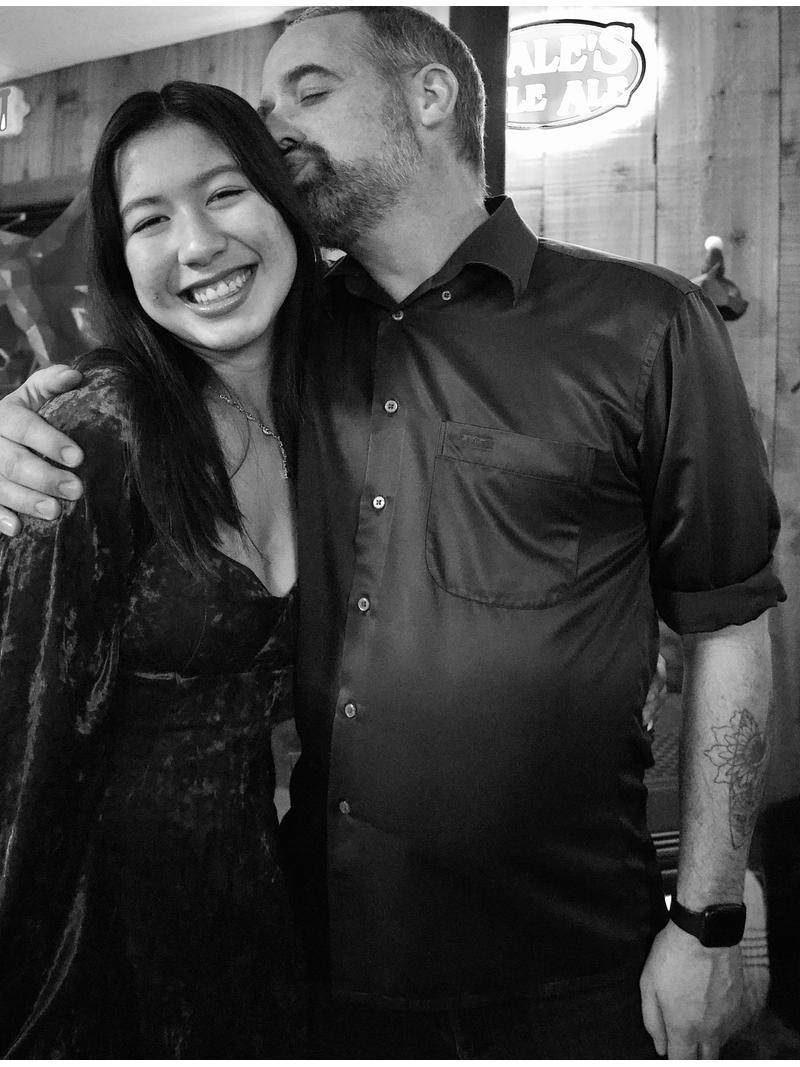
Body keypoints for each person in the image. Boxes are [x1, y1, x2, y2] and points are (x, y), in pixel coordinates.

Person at [0, 6, 785, 1059]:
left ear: (429, 94)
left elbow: (728, 624)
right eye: (265, 109)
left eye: (309, 91)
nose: (277, 127)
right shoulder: (287, 337)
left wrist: (711, 913)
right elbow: (140, 391)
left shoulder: (643, 325)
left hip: (570, 955)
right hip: (311, 954)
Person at [0, 80, 320, 1057]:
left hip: (255, 914)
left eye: (224, 194)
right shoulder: (93, 435)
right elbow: (18, 746)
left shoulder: (342, 414)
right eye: (149, 219)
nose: (197, 244)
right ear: (120, 258)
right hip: (86, 947)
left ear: (282, 202)